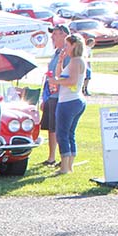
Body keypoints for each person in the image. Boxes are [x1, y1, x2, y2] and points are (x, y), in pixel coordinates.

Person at [48, 33, 87, 176]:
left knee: (62, 133)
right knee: (70, 134)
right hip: (71, 100)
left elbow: (72, 81)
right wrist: (60, 61)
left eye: (67, 45)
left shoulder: (77, 61)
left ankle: (65, 166)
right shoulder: (72, 61)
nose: (65, 48)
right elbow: (60, 75)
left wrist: (55, 82)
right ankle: (69, 166)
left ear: (74, 45)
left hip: (69, 101)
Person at [41, 25, 71, 167]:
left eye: (55, 34)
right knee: (51, 128)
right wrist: (44, 97)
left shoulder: (68, 54)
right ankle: (51, 157)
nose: (52, 37)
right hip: (51, 96)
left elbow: (67, 76)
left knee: (60, 128)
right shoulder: (57, 53)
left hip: (61, 96)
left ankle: (63, 158)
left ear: (64, 35)